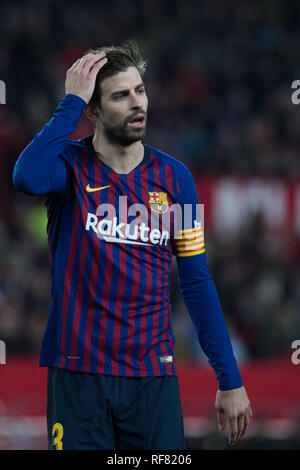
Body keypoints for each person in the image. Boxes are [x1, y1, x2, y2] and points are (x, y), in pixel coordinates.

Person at [12, 40, 252, 450]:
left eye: (140, 90)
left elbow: (196, 283)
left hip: (152, 380)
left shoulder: (177, 180)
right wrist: (69, 104)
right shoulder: (66, 167)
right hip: (77, 376)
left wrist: (229, 379)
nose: (137, 103)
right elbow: (25, 177)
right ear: (93, 109)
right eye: (121, 96)